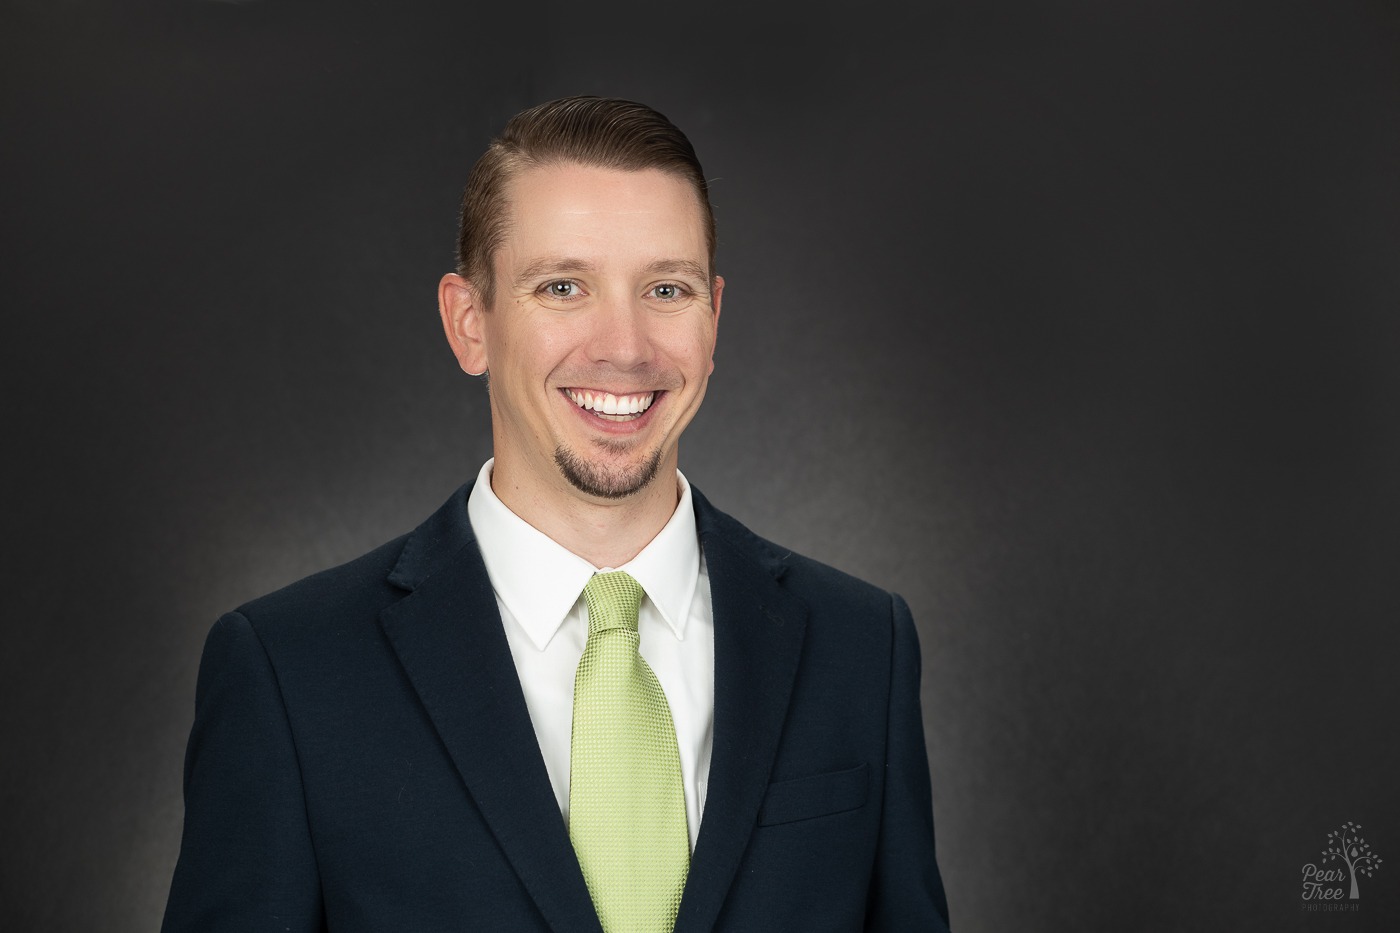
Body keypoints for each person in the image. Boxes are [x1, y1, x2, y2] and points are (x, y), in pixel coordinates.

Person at [161, 96, 952, 933]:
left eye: (666, 287)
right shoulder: (291, 672)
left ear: (713, 318)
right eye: (564, 286)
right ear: (470, 322)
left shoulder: (862, 647)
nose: (625, 345)